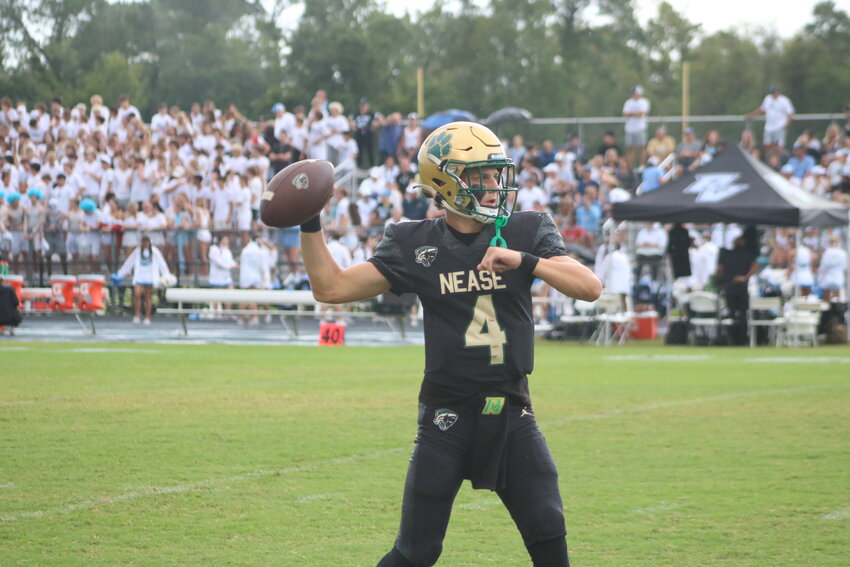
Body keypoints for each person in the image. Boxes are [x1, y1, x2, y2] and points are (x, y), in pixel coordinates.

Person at [297, 121, 601, 567]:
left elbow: (590, 287)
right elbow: (330, 288)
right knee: (416, 552)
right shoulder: (413, 242)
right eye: (481, 175)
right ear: (445, 181)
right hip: (446, 417)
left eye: (497, 174)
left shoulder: (526, 229)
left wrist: (525, 261)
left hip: (512, 411)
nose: (496, 186)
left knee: (548, 529)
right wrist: (310, 220)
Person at [115, 235, 172, 325]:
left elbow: (162, 264)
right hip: (139, 276)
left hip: (149, 276)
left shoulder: (154, 251)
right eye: (143, 242)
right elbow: (129, 263)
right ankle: (137, 315)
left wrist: (166, 275)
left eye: (146, 242)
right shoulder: (137, 251)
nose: (144, 244)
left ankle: (147, 317)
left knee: (147, 297)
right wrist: (120, 274)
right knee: (137, 295)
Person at [745, 86, 795, 157]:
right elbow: (762, 110)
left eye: (774, 92)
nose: (773, 94)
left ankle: (778, 161)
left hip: (780, 127)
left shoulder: (784, 101)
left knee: (778, 146)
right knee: (767, 145)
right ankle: (769, 160)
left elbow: (790, 113)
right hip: (768, 127)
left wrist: (787, 125)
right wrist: (751, 115)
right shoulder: (767, 99)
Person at [622, 85, 650, 169]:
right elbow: (625, 114)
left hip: (640, 128)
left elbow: (642, 113)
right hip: (629, 129)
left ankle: (642, 165)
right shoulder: (628, 102)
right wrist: (635, 114)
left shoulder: (644, 102)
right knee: (630, 148)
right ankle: (631, 166)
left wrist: (632, 113)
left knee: (641, 147)